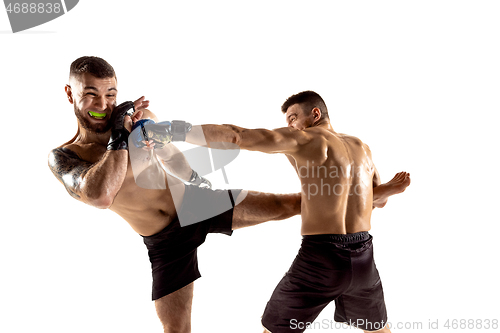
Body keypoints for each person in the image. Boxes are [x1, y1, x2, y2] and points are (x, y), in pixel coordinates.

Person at [48, 56, 302, 333]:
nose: (102, 105)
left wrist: (194, 177)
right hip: (165, 243)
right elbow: (100, 195)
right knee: (178, 331)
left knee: (289, 204)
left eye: (110, 95)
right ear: (70, 93)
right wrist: (118, 136)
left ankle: (349, 211)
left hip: (196, 203)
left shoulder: (139, 122)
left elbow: (169, 155)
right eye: (90, 94)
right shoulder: (66, 156)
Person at [177, 90, 411, 332]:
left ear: (315, 114)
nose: (290, 125)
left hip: (322, 257)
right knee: (378, 329)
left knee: (274, 329)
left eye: (292, 118)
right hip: (363, 257)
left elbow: (237, 136)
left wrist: (173, 131)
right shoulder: (362, 147)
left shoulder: (305, 139)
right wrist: (390, 189)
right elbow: (374, 201)